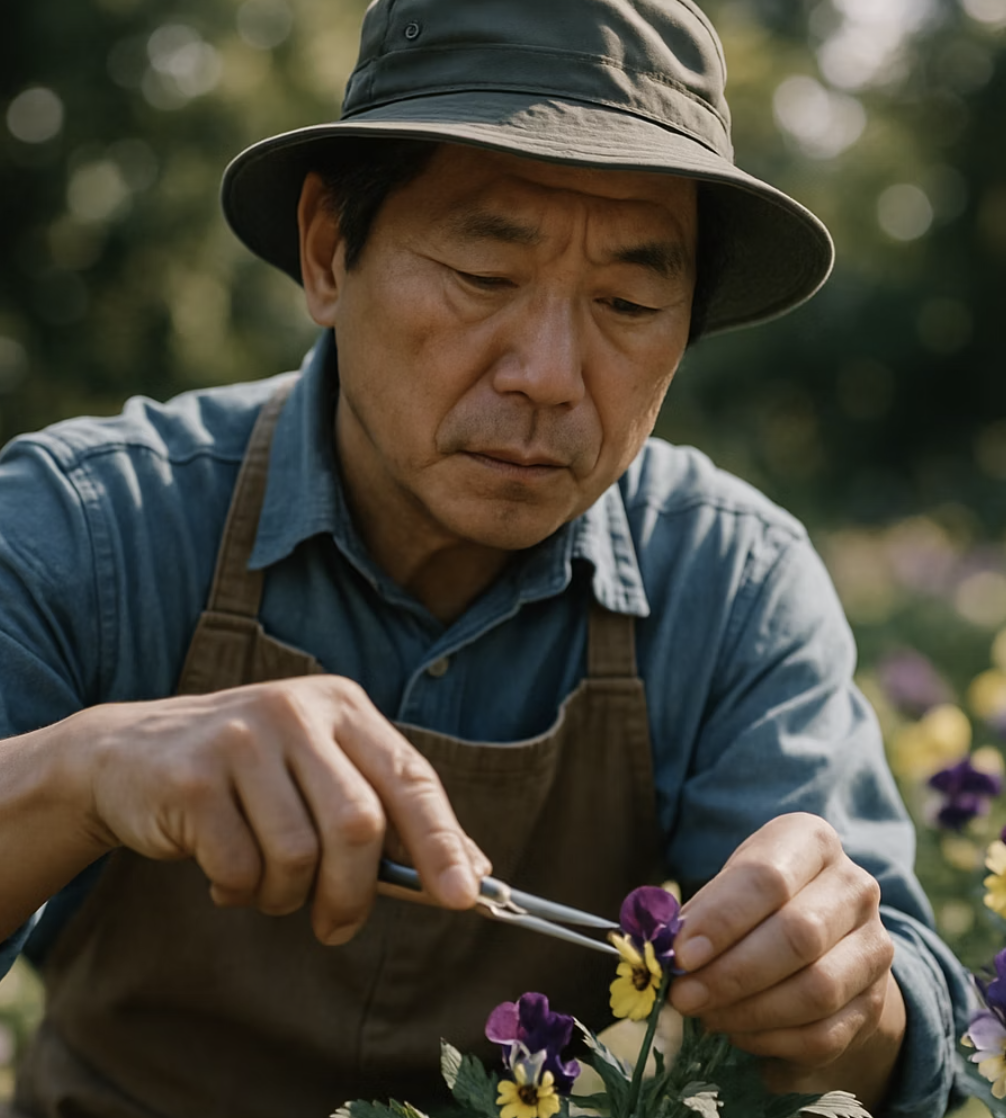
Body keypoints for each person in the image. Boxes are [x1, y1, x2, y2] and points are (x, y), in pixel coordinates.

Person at [0, 0, 970, 1115]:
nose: (550, 373)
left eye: (629, 298)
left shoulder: (730, 583)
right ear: (327, 252)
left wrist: (847, 999)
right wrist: (79, 773)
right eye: (483, 271)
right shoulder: (90, 523)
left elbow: (907, 1035)